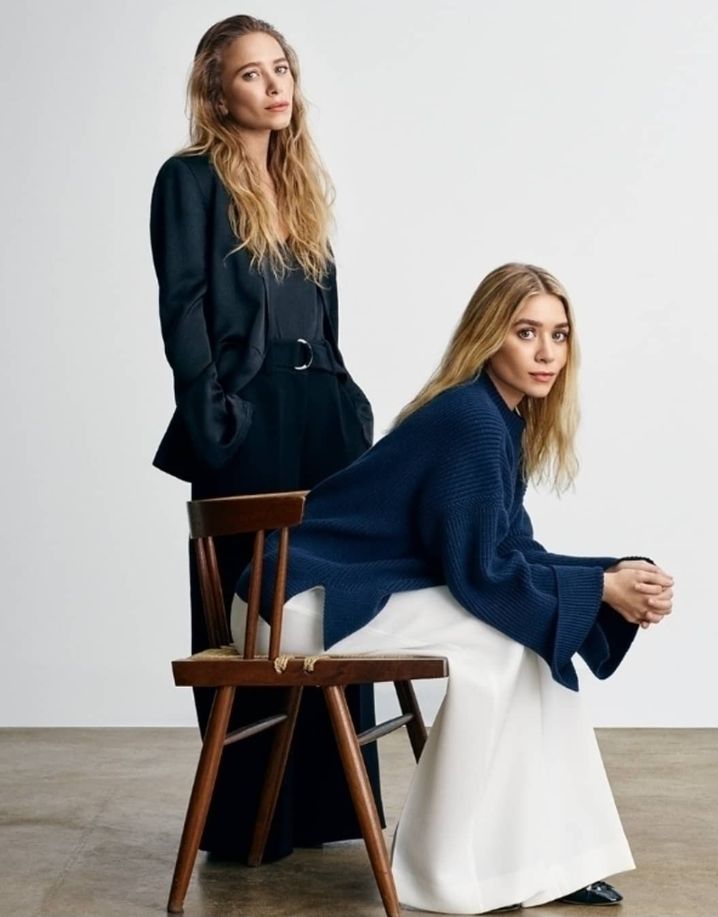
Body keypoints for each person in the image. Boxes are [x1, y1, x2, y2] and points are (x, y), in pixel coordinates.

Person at [232, 262, 674, 913]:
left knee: (528, 647)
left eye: (558, 334)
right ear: (489, 334)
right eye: (526, 332)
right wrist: (602, 588)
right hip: (298, 598)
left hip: (344, 590)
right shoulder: (469, 418)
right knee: (503, 648)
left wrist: (610, 573)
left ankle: (556, 859)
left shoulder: (500, 420)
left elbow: (512, 551)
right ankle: (435, 871)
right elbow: (481, 575)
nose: (546, 351)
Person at [150, 14, 381, 861]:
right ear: (218, 88)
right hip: (245, 415)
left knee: (326, 606)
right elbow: (182, 309)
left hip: (322, 412)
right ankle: (252, 825)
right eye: (251, 73)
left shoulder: (300, 180)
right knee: (250, 614)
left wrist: (349, 402)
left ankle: (327, 811)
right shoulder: (189, 179)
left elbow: (323, 311)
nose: (274, 84)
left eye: (280, 67)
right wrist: (217, 420)